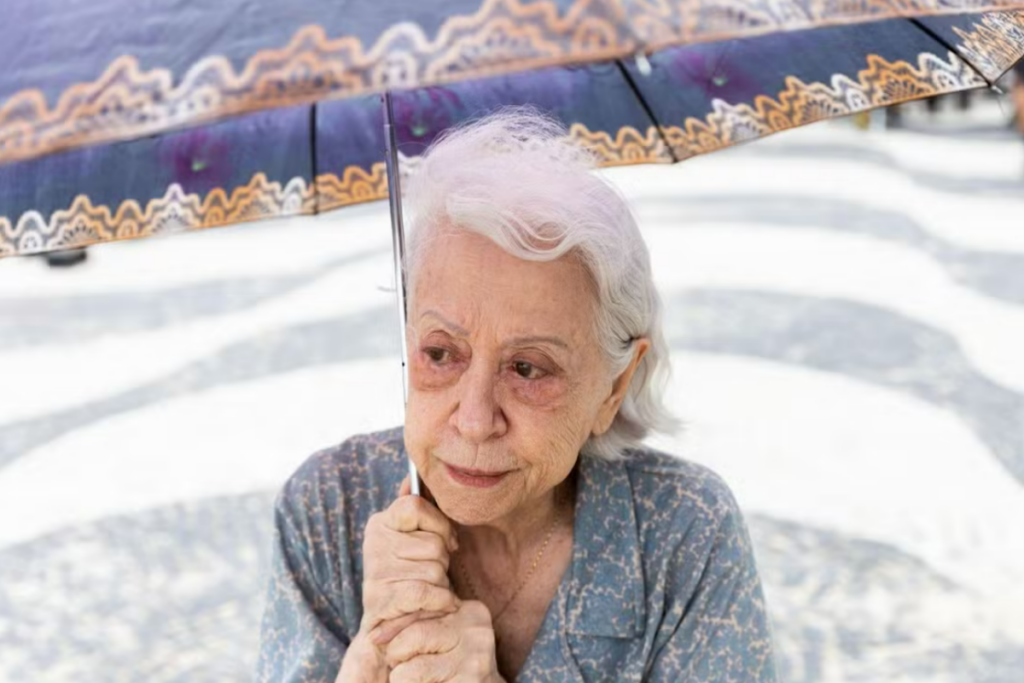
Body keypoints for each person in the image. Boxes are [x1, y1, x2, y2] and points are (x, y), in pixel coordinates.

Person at [254, 109, 778, 683]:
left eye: (528, 368)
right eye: (440, 353)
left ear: (614, 389)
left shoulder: (683, 532)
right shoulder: (328, 510)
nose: (475, 421)